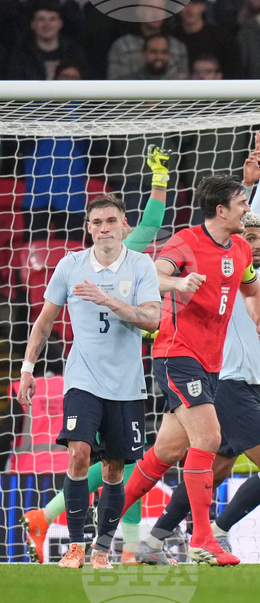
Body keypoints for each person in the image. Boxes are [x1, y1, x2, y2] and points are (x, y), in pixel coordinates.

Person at [20, 146, 175, 565]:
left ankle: (106, 548)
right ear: (88, 228)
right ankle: (75, 543)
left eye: (112, 221)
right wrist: (27, 368)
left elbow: (152, 318)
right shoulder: (71, 265)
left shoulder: (140, 261)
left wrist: (159, 178)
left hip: (128, 383)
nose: (105, 229)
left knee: (116, 468)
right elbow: (44, 321)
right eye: (97, 223)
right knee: (78, 453)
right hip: (83, 377)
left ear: (123, 226)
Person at [133, 134, 260, 565]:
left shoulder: (244, 260)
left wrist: (253, 183)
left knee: (195, 464)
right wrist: (258, 180)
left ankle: (148, 537)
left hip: (236, 380)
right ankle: (212, 534)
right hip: (217, 378)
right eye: (250, 227)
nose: (257, 235)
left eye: (259, 233)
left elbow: (241, 220)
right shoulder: (210, 253)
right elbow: (236, 221)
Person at [5, 3, 85, 80]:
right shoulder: (20, 54)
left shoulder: (73, 52)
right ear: (32, 24)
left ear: (60, 23)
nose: (46, 24)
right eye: (41, 19)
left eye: (52, 19)